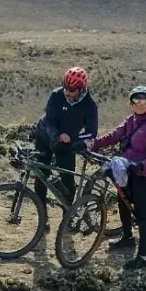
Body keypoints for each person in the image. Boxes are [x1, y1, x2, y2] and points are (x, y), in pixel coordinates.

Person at [91, 85, 146, 270]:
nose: (139, 104)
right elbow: (113, 136)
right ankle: (127, 238)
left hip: (143, 172)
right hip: (126, 168)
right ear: (131, 104)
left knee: (141, 213)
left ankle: (143, 255)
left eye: (143, 101)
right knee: (123, 202)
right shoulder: (130, 121)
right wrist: (92, 144)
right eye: (135, 101)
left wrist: (142, 165)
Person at [34, 67, 98, 217]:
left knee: (68, 180)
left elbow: (91, 133)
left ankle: (67, 216)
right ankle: (42, 216)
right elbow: (49, 120)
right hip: (45, 137)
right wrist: (56, 135)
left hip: (67, 145)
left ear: (81, 89)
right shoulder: (56, 95)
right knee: (41, 176)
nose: (67, 92)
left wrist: (72, 139)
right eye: (65, 87)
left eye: (71, 90)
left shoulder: (89, 105)